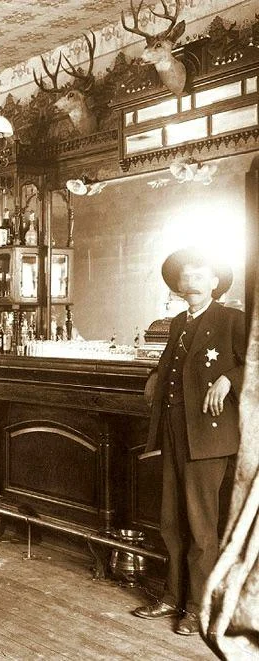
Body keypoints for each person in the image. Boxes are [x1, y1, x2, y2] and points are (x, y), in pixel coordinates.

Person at [133, 248, 247, 636]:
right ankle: (171, 595)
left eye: (200, 275)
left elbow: (256, 360)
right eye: (186, 276)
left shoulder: (233, 319)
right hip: (174, 431)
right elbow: (175, 366)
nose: (191, 281)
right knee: (170, 520)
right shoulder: (179, 321)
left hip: (209, 436)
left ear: (215, 282)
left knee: (201, 527)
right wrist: (154, 373)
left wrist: (229, 376)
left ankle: (199, 607)